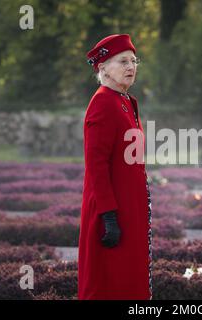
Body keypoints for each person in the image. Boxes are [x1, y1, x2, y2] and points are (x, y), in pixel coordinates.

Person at [78, 34, 152, 300]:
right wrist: (109, 216)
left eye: (134, 60)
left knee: (130, 279)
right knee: (109, 282)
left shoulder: (125, 101)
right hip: (111, 212)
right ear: (103, 68)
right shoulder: (103, 103)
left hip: (130, 208)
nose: (131, 66)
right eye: (123, 61)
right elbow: (96, 166)